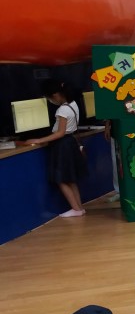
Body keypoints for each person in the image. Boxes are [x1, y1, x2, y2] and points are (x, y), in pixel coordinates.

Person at [18, 79, 87, 217]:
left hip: (62, 145)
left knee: (61, 179)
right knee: (71, 179)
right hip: (70, 142)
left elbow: (60, 133)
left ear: (55, 95)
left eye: (48, 98)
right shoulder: (73, 104)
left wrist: (38, 140)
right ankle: (79, 208)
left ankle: (76, 209)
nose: (49, 101)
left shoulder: (62, 110)